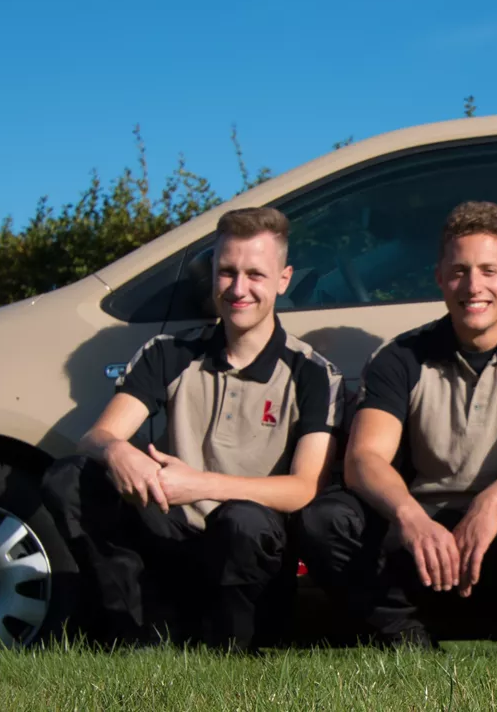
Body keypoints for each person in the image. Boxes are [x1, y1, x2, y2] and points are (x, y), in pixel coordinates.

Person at [299, 201, 497, 650]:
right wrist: (409, 516)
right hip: (421, 534)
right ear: (439, 277)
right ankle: (406, 641)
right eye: (459, 270)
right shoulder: (399, 356)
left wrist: (489, 505)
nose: (473, 286)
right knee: (326, 518)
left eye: (489, 270)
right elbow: (364, 458)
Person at [40, 207, 342, 651]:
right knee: (70, 478)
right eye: (227, 272)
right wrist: (118, 452)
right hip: (171, 535)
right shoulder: (168, 352)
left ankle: (237, 646)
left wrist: (199, 485)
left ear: (283, 279)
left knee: (243, 519)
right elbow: (98, 436)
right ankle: (142, 631)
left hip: (248, 548)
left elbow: (303, 488)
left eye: (255, 274)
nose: (238, 289)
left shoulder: (313, 373)